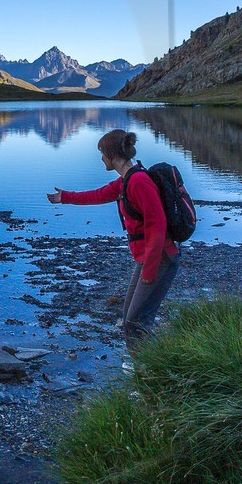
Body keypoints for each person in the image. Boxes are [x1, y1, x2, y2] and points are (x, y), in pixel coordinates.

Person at [48, 129, 180, 368]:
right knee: (131, 320)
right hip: (148, 259)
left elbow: (157, 225)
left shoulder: (138, 181)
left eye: (102, 153)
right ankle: (145, 371)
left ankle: (153, 372)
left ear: (111, 155)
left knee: (136, 322)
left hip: (160, 258)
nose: (100, 159)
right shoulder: (126, 180)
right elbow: (99, 195)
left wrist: (149, 273)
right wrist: (65, 197)